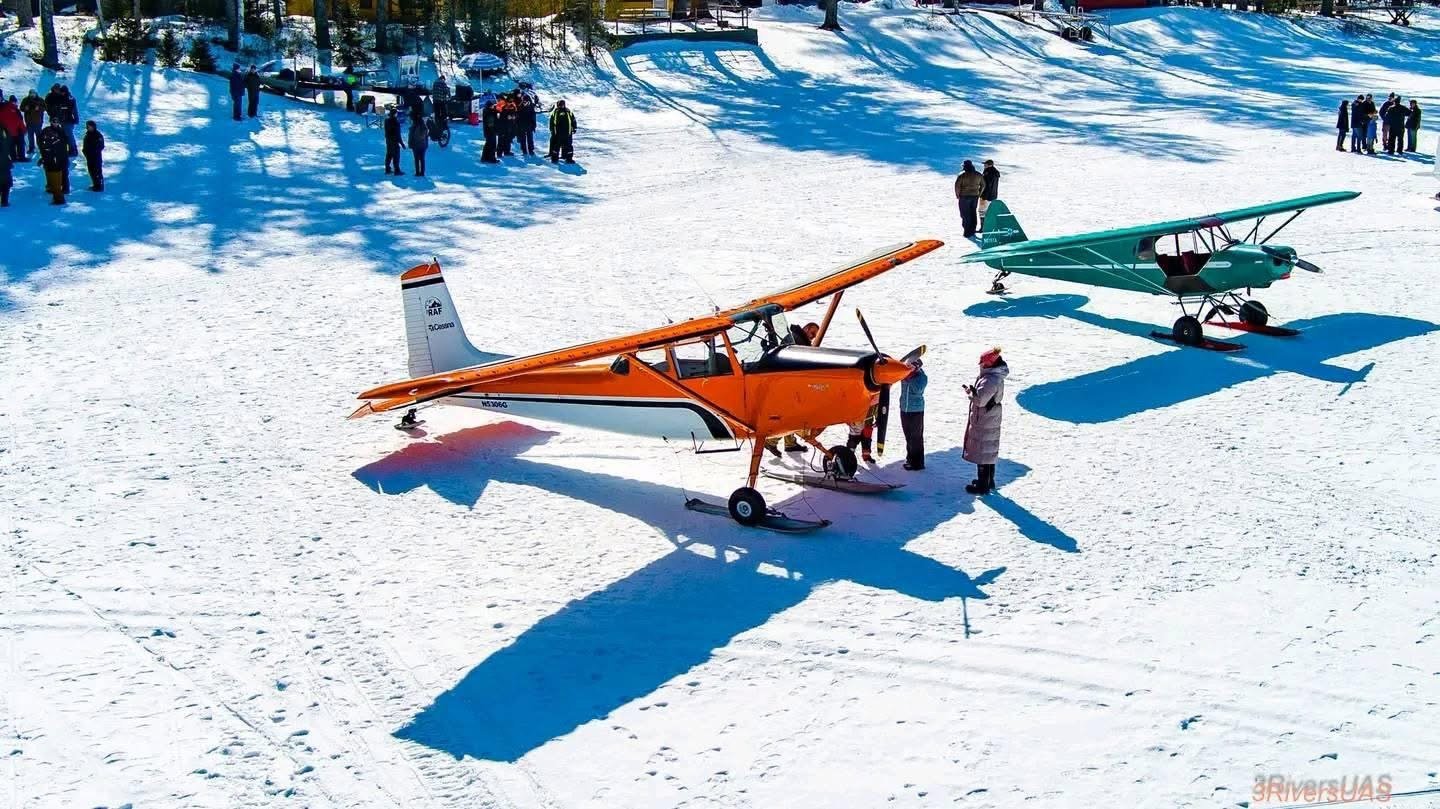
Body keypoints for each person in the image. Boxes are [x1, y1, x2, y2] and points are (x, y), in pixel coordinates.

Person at [963, 347, 1008, 495]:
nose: (980, 365)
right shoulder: (996, 376)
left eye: (982, 363)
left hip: (985, 418)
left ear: (988, 364)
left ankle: (982, 485)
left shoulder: (989, 379)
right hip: (991, 416)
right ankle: (989, 481)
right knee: (988, 450)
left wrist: (971, 393)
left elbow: (980, 401)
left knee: (982, 450)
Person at [899, 357, 927, 471]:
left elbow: (918, 390)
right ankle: (910, 459)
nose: (909, 368)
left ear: (917, 367)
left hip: (916, 411)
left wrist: (908, 378)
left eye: (911, 366)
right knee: (908, 436)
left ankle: (918, 463)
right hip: (904, 409)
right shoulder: (905, 375)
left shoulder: (922, 377)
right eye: (908, 366)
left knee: (915, 438)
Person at [38, 117, 69, 205]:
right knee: (50, 173)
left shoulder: (61, 131)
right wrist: (43, 155)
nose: (55, 123)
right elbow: (41, 142)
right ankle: (51, 188)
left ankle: (61, 194)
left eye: (57, 122)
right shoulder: (46, 131)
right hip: (48, 157)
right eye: (53, 121)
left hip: (59, 158)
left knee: (60, 175)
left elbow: (64, 144)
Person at [45, 84, 78, 156]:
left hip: (67, 120)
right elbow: (48, 107)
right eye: (57, 90)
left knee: (69, 135)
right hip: (58, 119)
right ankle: (63, 149)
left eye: (59, 90)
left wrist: (76, 119)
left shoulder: (69, 98)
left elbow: (73, 110)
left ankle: (73, 150)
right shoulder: (52, 97)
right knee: (60, 135)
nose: (59, 92)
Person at [954, 160, 984, 238]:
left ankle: (967, 231)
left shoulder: (962, 175)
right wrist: (979, 194)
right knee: (973, 213)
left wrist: (958, 195)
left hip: (964, 197)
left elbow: (957, 186)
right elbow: (983, 185)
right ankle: (972, 229)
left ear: (964, 166)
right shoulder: (978, 174)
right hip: (975, 196)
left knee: (965, 214)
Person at [548, 99, 577, 164]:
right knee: (556, 146)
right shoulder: (555, 112)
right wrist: (552, 130)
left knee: (568, 146)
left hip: (568, 133)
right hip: (558, 133)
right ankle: (554, 158)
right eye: (560, 105)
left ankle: (568, 158)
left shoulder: (568, 111)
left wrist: (574, 128)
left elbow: (573, 120)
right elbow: (552, 122)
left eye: (562, 105)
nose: (561, 106)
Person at [20, 90, 45, 157]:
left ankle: (41, 148)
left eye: (33, 93)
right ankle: (31, 148)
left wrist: (39, 108)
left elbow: (44, 108)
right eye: (31, 93)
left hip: (38, 121)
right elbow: (21, 108)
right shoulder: (25, 100)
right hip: (29, 121)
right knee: (30, 136)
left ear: (36, 94)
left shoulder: (40, 100)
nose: (32, 95)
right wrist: (25, 108)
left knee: (39, 136)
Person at [81, 120, 104, 191]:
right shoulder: (87, 135)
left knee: (97, 171)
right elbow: (85, 145)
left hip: (96, 157)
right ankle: (95, 184)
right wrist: (85, 152)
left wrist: (94, 151)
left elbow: (101, 146)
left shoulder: (98, 135)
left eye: (91, 126)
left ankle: (99, 186)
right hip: (89, 157)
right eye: (88, 126)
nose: (90, 128)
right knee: (91, 171)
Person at [979, 159, 1000, 230]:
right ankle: (991, 227)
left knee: (982, 212)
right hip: (993, 195)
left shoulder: (988, 172)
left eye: (986, 164)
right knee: (990, 212)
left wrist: (982, 194)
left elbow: (985, 185)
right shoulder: (996, 172)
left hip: (986, 196)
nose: (984, 165)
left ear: (990, 165)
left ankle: (983, 228)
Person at [0, 96, 22, 162]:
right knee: (9, 144)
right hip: (6, 129)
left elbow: (20, 119)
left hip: (14, 129)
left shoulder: (11, 107)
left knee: (15, 144)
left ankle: (14, 157)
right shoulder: (5, 107)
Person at [383, 107, 404, 175]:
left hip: (388, 140)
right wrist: (402, 143)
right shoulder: (396, 122)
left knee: (389, 154)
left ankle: (387, 168)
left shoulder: (386, 121)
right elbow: (398, 134)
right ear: (395, 114)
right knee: (396, 156)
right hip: (394, 141)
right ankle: (396, 170)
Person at [516, 91, 537, 157]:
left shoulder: (531, 108)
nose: (524, 103)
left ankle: (531, 150)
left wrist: (534, 125)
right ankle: (524, 150)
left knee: (530, 139)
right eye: (523, 102)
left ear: (528, 101)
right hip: (522, 126)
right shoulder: (520, 107)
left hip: (529, 126)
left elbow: (533, 117)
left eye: (526, 102)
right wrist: (518, 126)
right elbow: (517, 118)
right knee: (523, 139)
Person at [0, 129, 12, 207]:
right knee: (5, 182)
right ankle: (4, 201)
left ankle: (4, 200)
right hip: (5, 162)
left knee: (5, 182)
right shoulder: (3, 131)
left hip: (4, 162)